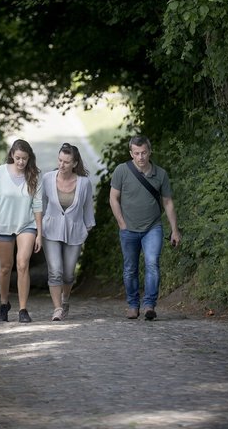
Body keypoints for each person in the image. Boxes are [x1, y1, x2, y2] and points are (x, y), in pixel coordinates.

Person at [109, 134, 181, 320]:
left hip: (153, 228)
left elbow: (168, 203)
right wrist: (121, 223)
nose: (140, 157)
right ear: (131, 153)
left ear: (150, 152)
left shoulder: (161, 174)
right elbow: (113, 198)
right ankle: (133, 305)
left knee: (152, 264)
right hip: (128, 229)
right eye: (136, 153)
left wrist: (174, 230)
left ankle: (149, 305)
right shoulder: (121, 171)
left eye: (143, 153)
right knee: (130, 268)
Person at [0, 138, 43, 323]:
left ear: (29, 158)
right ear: (12, 155)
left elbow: (37, 205)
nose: (20, 162)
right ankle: (4, 304)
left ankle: (23, 309)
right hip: (3, 224)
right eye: (17, 158)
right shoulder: (1, 171)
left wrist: (39, 233)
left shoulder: (34, 175)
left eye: (24, 158)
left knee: (22, 264)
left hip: (26, 225)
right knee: (5, 267)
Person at [42, 142, 95, 321]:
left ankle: (65, 299)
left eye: (66, 162)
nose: (61, 165)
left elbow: (88, 209)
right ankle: (57, 309)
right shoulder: (48, 178)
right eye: (60, 160)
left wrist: (86, 229)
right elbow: (40, 204)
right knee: (55, 270)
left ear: (74, 163)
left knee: (68, 273)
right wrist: (38, 226)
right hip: (50, 230)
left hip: (75, 231)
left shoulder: (84, 183)